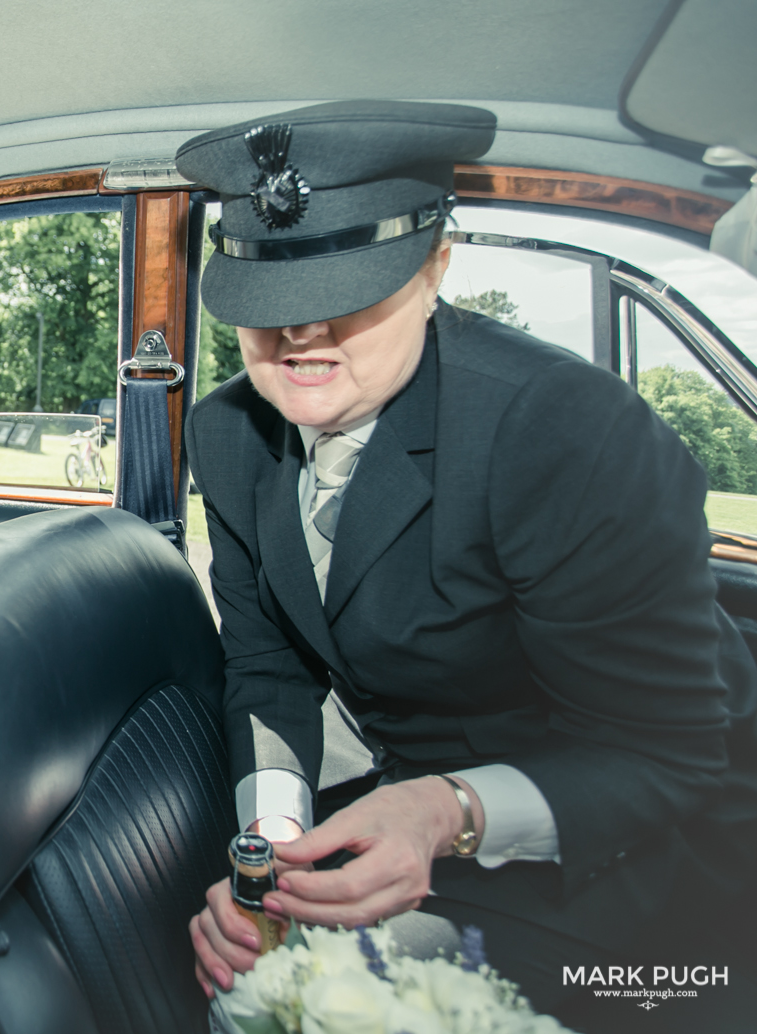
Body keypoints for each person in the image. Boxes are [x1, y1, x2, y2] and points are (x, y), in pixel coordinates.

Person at [178, 101, 757, 1030]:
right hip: (420, 813)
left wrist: (446, 813)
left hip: (645, 851)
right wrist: (271, 861)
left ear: (435, 265)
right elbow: (268, 666)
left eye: (349, 290)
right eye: (270, 300)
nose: (301, 336)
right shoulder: (228, 434)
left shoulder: (561, 431)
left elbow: (666, 755)